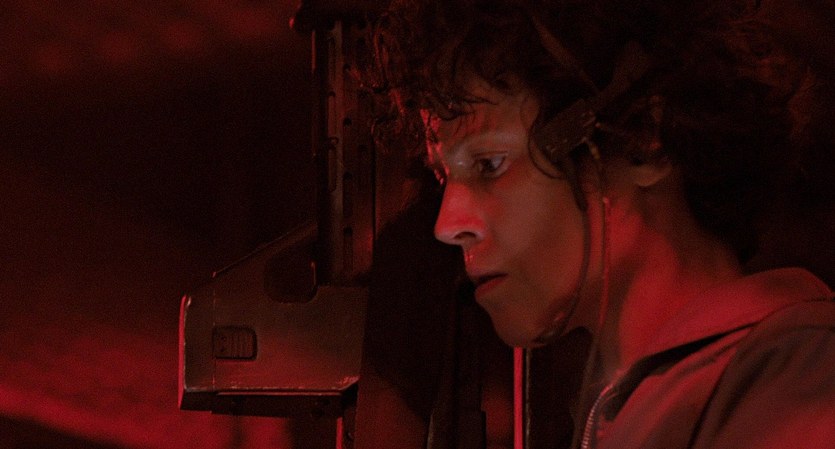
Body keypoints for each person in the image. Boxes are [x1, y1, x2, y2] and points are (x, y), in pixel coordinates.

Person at [356, 0, 835, 448]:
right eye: (444, 178)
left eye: (489, 165)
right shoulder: (630, 405)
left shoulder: (793, 376)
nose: (447, 224)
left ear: (643, 141)